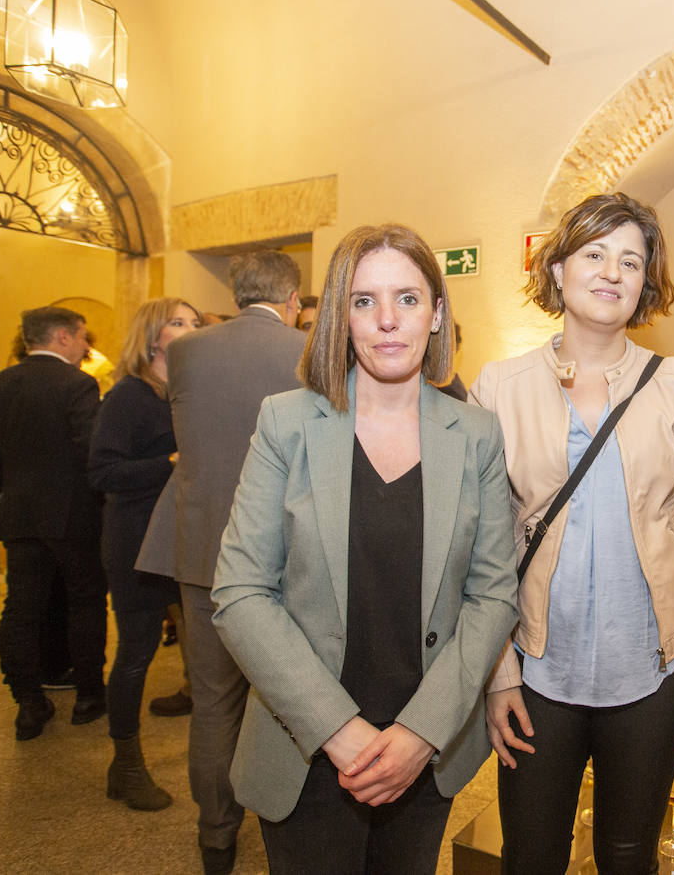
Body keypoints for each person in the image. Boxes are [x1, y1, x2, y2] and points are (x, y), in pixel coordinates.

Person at [210, 224, 518, 874]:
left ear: (437, 314)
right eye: (362, 300)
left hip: (425, 752)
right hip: (306, 747)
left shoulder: (476, 435)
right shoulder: (286, 423)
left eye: (408, 299)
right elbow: (240, 592)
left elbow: (493, 593)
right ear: (337, 317)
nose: (386, 321)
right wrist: (339, 731)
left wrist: (421, 732)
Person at [472, 193, 674, 872]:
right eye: (594, 254)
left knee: (628, 854)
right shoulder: (499, 387)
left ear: (645, 282)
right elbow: (482, 546)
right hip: (536, 665)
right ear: (557, 269)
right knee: (530, 854)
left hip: (656, 667)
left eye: (630, 260)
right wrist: (498, 674)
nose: (612, 271)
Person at [136, 250, 305, 874]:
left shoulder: (186, 352)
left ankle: (216, 836)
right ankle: (289, 823)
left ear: (235, 292)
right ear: (291, 297)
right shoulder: (307, 351)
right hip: (287, 555)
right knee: (290, 698)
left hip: (203, 547)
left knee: (213, 702)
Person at [0, 306, 107, 740]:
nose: (86, 347)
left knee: (20, 610)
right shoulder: (78, 385)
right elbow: (91, 453)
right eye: (82, 337)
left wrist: (16, 487)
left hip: (18, 515)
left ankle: (27, 700)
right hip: (74, 516)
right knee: (85, 603)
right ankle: (88, 695)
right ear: (63, 336)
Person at [88, 297, 202, 811]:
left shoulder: (185, 392)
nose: (192, 329)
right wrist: (171, 461)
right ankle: (126, 763)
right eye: (180, 322)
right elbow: (104, 473)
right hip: (135, 542)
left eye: (196, 322)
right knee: (135, 654)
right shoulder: (129, 396)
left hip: (181, 539)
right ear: (154, 336)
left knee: (200, 650)